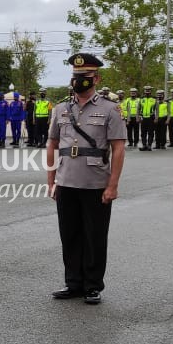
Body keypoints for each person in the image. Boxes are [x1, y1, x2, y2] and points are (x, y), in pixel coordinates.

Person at [47, 53, 126, 305]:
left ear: (96, 78)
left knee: (94, 235)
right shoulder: (60, 108)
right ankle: (73, 283)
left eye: (85, 77)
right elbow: (52, 143)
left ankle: (92, 285)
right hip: (66, 180)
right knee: (69, 234)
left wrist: (112, 185)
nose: (79, 81)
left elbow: (119, 148)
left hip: (95, 182)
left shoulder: (110, 109)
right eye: (76, 77)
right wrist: (51, 180)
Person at [139, 85, 157, 151]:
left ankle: (149, 145)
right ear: (144, 91)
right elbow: (138, 109)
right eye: (146, 90)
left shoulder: (154, 99)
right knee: (143, 133)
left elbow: (157, 110)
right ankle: (144, 145)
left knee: (150, 133)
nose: (147, 92)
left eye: (148, 90)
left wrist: (156, 118)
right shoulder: (141, 99)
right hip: (143, 118)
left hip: (151, 118)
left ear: (150, 92)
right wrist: (138, 117)